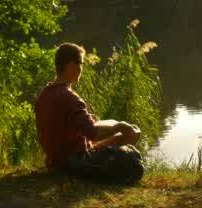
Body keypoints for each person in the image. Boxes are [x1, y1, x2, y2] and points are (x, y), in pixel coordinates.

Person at [34, 43, 144, 184]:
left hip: (55, 161)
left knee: (115, 125)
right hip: (75, 163)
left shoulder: (45, 93)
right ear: (70, 65)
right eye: (81, 63)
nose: (82, 68)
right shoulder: (70, 97)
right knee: (132, 133)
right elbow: (93, 133)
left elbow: (67, 126)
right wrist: (120, 126)